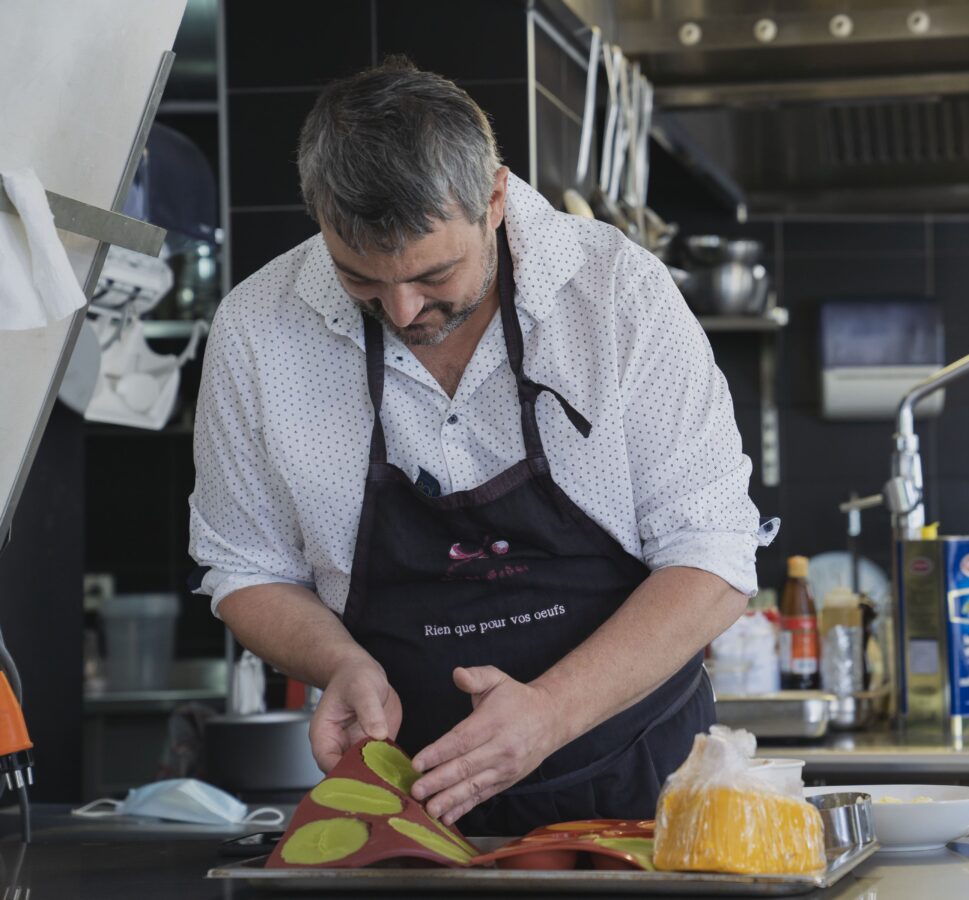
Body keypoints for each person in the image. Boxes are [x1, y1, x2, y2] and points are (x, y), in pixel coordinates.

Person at [187, 58, 775, 835]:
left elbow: (715, 560)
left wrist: (550, 713)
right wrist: (339, 663)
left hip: (646, 794)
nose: (402, 310)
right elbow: (247, 569)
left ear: (495, 197)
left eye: (434, 274)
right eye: (359, 278)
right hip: (413, 815)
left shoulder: (617, 296)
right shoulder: (256, 331)